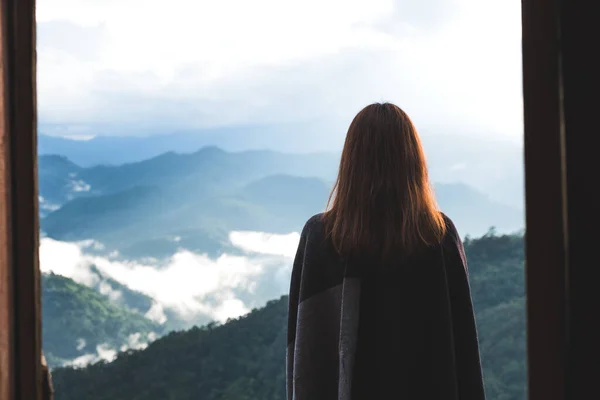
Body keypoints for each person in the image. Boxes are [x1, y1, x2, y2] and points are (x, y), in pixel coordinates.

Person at [286, 103, 485, 400]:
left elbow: (304, 349)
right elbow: (464, 351)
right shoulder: (438, 237)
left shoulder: (322, 237)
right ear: (413, 162)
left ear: (351, 162)